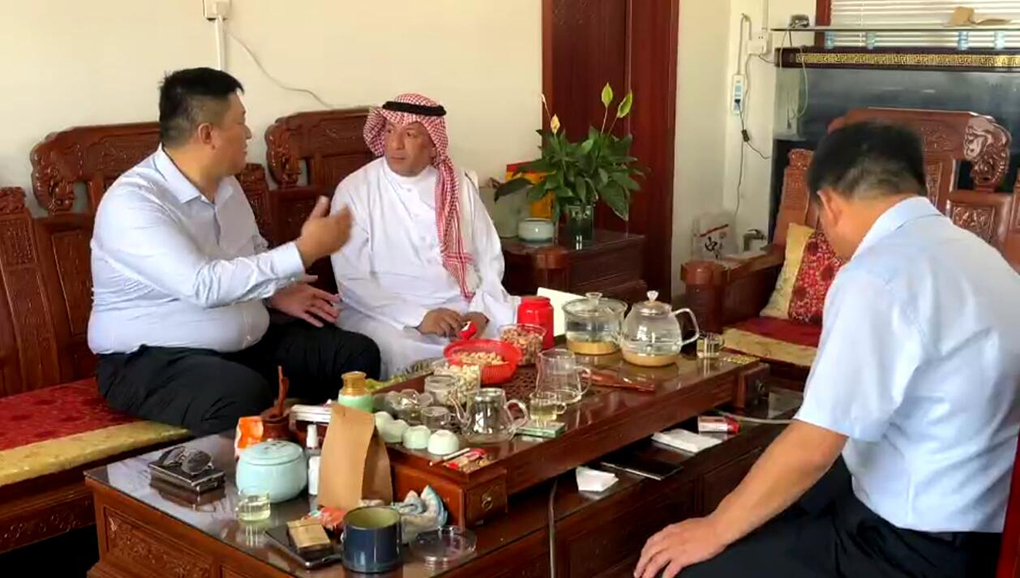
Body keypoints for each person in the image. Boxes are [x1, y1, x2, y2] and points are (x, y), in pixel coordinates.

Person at [635, 122, 1020, 578]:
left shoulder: (876, 276)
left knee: (687, 568)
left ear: (829, 204)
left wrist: (714, 529)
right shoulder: (981, 256)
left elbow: (814, 446)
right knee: (778, 504)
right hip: (985, 524)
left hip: (909, 546)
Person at [89, 68, 380, 436]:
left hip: (244, 345)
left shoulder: (226, 185)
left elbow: (250, 251)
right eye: (240, 122)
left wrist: (277, 292)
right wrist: (303, 251)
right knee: (240, 395)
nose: (248, 133)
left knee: (354, 355)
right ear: (207, 134)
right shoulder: (133, 203)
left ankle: (332, 454)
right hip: (150, 358)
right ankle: (249, 472)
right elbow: (203, 285)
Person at [330, 93, 518, 378]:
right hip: (386, 314)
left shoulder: (457, 183)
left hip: (462, 306)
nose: (395, 144)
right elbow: (352, 279)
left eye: (410, 134)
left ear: (432, 145)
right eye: (390, 131)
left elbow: (488, 256)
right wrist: (420, 318)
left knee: (523, 326)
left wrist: (481, 311)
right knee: (402, 350)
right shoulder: (355, 189)